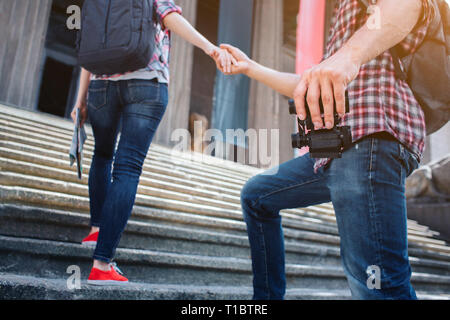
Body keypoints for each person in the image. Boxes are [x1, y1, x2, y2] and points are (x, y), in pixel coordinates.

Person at [219, 0, 435, 299]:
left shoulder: (362, 30)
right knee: (257, 196)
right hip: (334, 150)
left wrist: (348, 57)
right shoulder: (345, 18)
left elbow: (407, 4)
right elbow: (308, 86)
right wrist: (250, 67)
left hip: (368, 138)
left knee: (378, 286)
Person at [70, 0, 236, 285]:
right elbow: (169, 16)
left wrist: (79, 99)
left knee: (102, 155)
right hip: (145, 82)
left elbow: (90, 47)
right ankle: (101, 264)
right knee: (127, 169)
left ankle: (97, 229)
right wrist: (211, 49)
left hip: (101, 86)